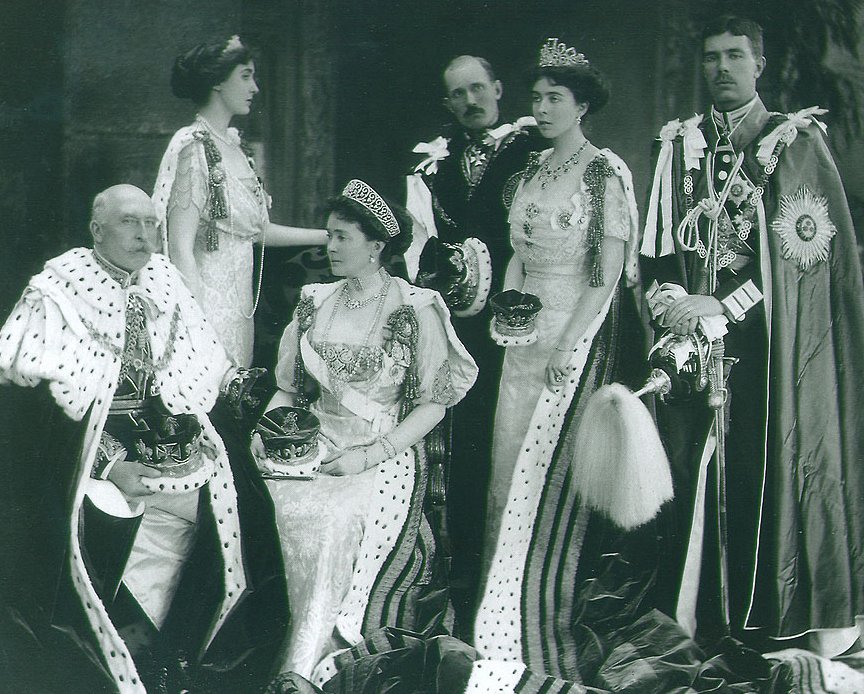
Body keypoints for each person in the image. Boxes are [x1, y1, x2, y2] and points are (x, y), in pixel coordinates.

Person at [0, 185, 288, 693]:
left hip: (165, 444)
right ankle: (121, 659)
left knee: (242, 510)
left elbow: (206, 365)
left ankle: (180, 656)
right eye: (129, 222)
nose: (144, 234)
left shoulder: (165, 280)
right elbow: (37, 411)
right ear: (97, 230)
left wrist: (245, 393)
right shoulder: (57, 291)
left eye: (152, 223)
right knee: (94, 519)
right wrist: (109, 465)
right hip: (85, 455)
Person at [640, 15, 864, 654]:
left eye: (735, 55)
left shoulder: (794, 144)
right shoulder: (681, 147)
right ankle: (701, 619)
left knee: (757, 477)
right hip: (693, 348)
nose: (721, 68)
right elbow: (659, 252)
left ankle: (765, 620)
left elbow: (800, 272)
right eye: (711, 57)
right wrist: (673, 303)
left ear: (759, 64)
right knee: (693, 476)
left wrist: (721, 304)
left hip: (769, 351)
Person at [473, 37, 646, 683]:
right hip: (521, 341)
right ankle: (496, 610)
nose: (541, 108)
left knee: (545, 475)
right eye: (537, 97)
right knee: (506, 467)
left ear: (582, 105)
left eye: (555, 98)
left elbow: (605, 275)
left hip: (575, 335)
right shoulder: (529, 170)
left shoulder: (604, 174)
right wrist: (510, 309)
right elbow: (517, 253)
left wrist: (569, 345)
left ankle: (542, 609)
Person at [261, 179, 477, 685]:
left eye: (343, 238)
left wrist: (369, 455)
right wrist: (268, 429)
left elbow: (433, 406)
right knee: (261, 502)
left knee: (331, 521)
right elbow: (288, 389)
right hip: (310, 445)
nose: (330, 247)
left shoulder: (414, 308)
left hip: (381, 453)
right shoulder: (315, 300)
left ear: (377, 246)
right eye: (329, 236)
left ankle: (304, 667)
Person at [404, 54, 543, 634]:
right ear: (448, 103)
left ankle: (516, 573)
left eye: (478, 88)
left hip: (521, 322)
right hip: (458, 326)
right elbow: (419, 249)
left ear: (499, 89)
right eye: (458, 94)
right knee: (462, 443)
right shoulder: (434, 167)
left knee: (513, 439)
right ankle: (462, 575)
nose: (470, 101)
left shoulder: (533, 150)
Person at [153, 34, 326, 368]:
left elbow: (257, 231)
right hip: (205, 308)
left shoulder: (235, 146)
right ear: (218, 81)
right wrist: (195, 323)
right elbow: (180, 247)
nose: (255, 88)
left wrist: (326, 236)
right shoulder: (194, 147)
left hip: (240, 310)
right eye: (246, 76)